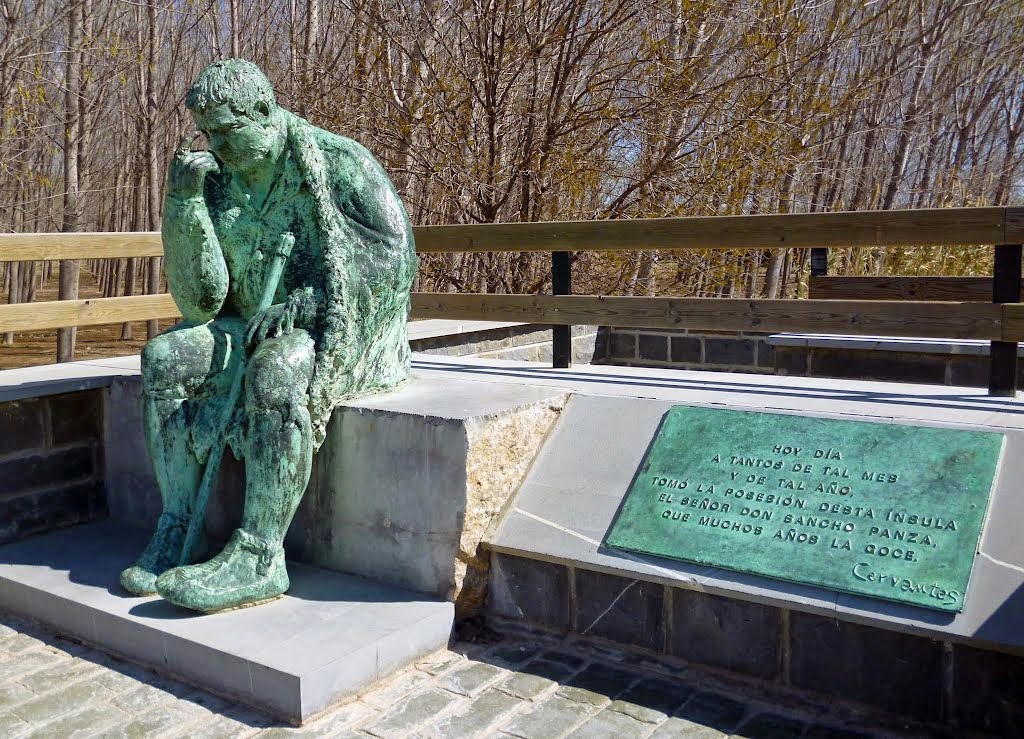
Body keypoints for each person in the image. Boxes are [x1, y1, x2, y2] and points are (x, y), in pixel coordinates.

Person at [119, 59, 416, 612]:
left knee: (275, 371)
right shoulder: (214, 179)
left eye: (226, 132)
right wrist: (184, 203)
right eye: (207, 134)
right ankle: (179, 523)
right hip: (246, 325)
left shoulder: (340, 163)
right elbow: (201, 303)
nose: (216, 147)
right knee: (164, 357)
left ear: (262, 110)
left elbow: (394, 259)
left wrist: (310, 301)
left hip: (331, 328)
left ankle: (260, 554)